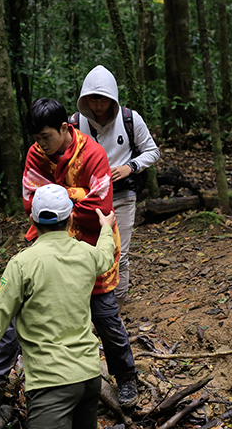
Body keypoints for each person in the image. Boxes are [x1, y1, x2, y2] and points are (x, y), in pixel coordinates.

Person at [0, 98, 140, 411]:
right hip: (47, 247)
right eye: (36, 138)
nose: (41, 145)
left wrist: (57, 197)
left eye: (46, 137)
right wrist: (76, 196)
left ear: (64, 127)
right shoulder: (35, 153)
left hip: (90, 247)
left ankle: (126, 377)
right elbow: (33, 203)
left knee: (105, 315)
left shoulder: (93, 154)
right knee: (18, 317)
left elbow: (100, 207)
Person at [0, 184, 117, 429]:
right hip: (89, 377)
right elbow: (106, 256)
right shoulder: (87, 254)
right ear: (72, 217)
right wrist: (106, 228)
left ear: (32, 219)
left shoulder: (22, 264)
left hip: (50, 384)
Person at [75, 65, 161, 309]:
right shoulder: (74, 123)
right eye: (93, 99)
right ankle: (90, 303)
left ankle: (118, 304)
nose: (98, 105)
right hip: (89, 198)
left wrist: (130, 167)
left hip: (122, 194)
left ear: (112, 97)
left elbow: (152, 151)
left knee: (119, 252)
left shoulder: (129, 119)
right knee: (88, 250)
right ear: (85, 99)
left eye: (103, 99)